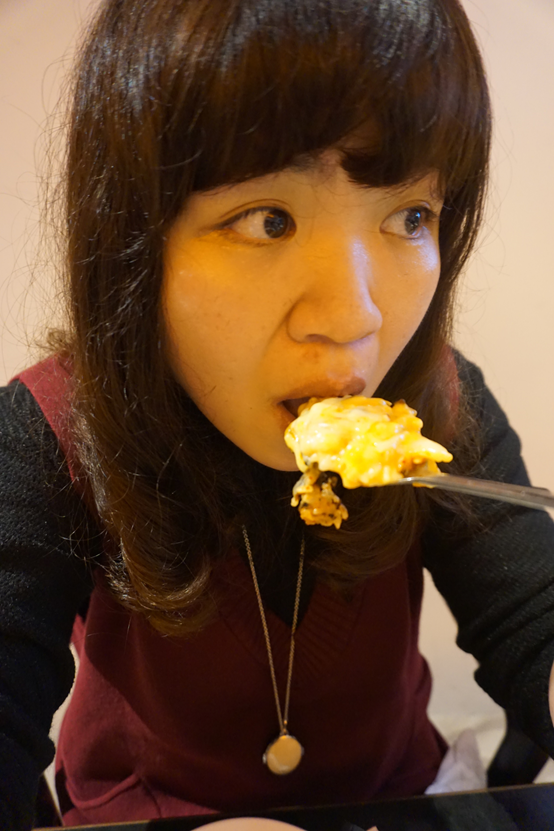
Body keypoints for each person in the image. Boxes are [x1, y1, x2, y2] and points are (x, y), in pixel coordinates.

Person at [1, 0, 553, 827]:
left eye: (411, 216)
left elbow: (534, 614)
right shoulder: (48, 434)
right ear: (133, 241)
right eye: (271, 220)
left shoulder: (439, 401)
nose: (357, 316)